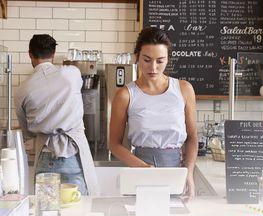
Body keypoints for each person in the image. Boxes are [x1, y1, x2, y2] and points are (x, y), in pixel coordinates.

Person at [109, 27, 198, 198]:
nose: (153, 68)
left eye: (160, 61)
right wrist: (144, 169)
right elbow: (114, 144)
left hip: (176, 171)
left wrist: (189, 173)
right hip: (140, 169)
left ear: (167, 59)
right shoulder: (126, 95)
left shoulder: (184, 89)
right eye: (147, 60)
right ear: (137, 57)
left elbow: (193, 137)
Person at [14, 34, 99, 196]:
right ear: (53, 54)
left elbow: (27, 132)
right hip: (73, 155)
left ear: (30, 54)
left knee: (47, 212)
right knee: (77, 211)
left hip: (45, 155)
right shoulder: (72, 74)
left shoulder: (22, 90)